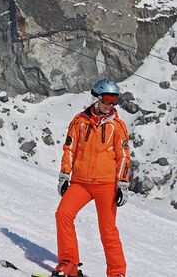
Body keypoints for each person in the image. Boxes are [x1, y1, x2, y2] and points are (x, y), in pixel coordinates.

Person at [52, 79, 131, 277]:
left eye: (115, 101)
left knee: (107, 229)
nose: (111, 105)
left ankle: (117, 273)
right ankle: (69, 264)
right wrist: (64, 176)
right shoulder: (79, 121)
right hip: (81, 183)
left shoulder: (117, 126)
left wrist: (123, 184)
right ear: (97, 98)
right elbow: (69, 148)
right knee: (63, 214)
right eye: (107, 100)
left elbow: (124, 156)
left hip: (106, 184)